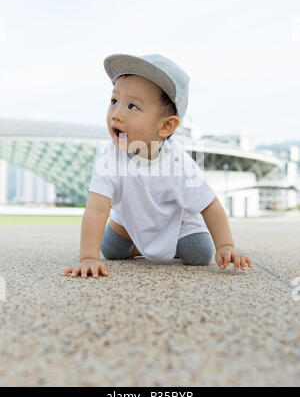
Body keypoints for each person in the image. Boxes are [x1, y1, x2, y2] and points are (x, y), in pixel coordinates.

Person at [63, 53, 252, 278]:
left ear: (166, 126)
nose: (117, 114)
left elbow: (209, 204)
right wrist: (88, 258)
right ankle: (140, 246)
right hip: (129, 221)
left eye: (132, 106)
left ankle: (167, 244)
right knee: (110, 249)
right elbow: (96, 209)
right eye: (114, 101)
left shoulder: (178, 164)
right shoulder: (109, 156)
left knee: (199, 253)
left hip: (174, 222)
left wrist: (225, 245)